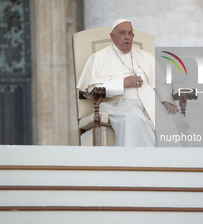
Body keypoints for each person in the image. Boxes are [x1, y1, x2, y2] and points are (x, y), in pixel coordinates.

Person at [77, 19, 184, 147]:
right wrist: (123, 83)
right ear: (112, 36)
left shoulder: (147, 56)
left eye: (129, 33)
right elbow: (92, 89)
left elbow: (160, 83)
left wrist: (166, 100)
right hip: (119, 104)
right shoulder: (99, 57)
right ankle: (137, 165)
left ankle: (169, 165)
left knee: (176, 120)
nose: (127, 37)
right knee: (134, 120)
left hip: (151, 103)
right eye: (122, 33)